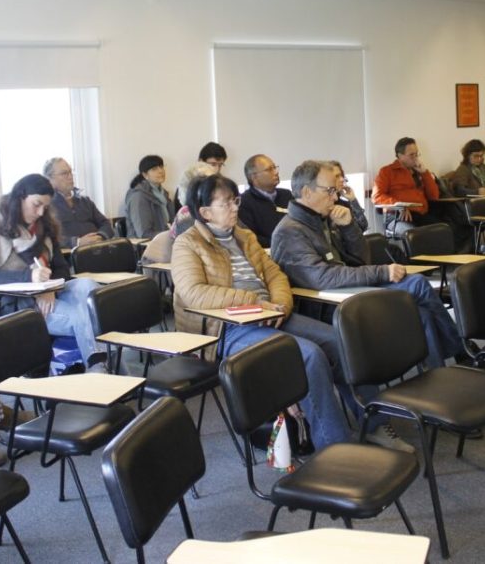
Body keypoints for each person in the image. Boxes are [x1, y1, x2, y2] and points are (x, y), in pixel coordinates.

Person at [170, 174, 409, 452]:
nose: (235, 208)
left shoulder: (245, 237)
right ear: (205, 212)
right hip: (227, 328)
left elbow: (275, 275)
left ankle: (375, 423)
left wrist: (281, 305)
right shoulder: (187, 244)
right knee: (308, 356)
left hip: (271, 313)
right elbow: (193, 293)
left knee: (340, 341)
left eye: (236, 201)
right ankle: (336, 448)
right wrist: (254, 302)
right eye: (227, 204)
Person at [272, 160, 466, 370]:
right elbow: (322, 278)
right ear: (307, 192)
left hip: (349, 289)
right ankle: (460, 352)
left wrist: (348, 227)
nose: (335, 197)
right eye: (330, 191)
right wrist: (381, 272)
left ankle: (440, 374)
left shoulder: (323, 218)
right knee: (417, 286)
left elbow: (361, 259)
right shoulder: (290, 231)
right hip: (328, 304)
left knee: (422, 312)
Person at [0, 174, 102, 367]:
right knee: (82, 316)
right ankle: (100, 368)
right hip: (16, 303)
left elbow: (62, 269)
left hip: (48, 293)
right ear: (20, 197)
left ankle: (107, 362)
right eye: (36, 204)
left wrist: (49, 288)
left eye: (45, 207)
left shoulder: (45, 225)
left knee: (89, 287)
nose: (40, 212)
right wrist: (30, 277)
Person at [44, 157, 115, 247]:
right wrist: (77, 242)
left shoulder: (85, 201)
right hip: (71, 253)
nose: (70, 177)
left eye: (70, 172)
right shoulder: (47, 206)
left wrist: (100, 236)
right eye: (64, 173)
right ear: (50, 179)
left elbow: (106, 224)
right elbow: (48, 237)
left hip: (98, 248)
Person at [237, 154, 293, 248]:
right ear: (254, 177)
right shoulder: (245, 202)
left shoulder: (287, 195)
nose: (276, 172)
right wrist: (280, 243)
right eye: (269, 169)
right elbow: (250, 237)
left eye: (275, 168)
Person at [123, 155, 175, 238]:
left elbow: (173, 222)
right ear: (145, 175)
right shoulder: (138, 197)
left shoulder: (164, 194)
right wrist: (171, 235)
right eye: (154, 169)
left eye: (161, 167)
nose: (160, 171)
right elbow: (144, 233)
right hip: (145, 243)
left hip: (164, 239)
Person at [332, 160, 368, 231]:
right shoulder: (324, 206)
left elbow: (363, 226)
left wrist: (353, 200)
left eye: (342, 176)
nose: (342, 179)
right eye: (337, 176)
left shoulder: (343, 203)